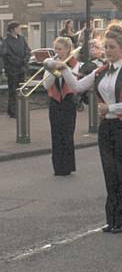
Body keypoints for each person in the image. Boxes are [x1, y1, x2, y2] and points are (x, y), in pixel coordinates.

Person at [58, 23, 122, 234]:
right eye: (106, 47)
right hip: (108, 127)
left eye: (112, 47)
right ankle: (112, 219)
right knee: (110, 174)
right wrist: (64, 68)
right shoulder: (100, 71)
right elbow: (77, 87)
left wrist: (110, 107)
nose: (108, 51)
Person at [43, 37, 80, 176]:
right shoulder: (50, 64)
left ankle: (68, 166)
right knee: (56, 134)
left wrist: (64, 68)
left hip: (68, 101)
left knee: (67, 134)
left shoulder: (75, 64)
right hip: (55, 102)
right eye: (55, 49)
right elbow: (46, 85)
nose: (57, 52)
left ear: (67, 50)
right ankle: (58, 167)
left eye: (60, 49)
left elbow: (75, 84)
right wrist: (52, 70)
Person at [1, 22, 31, 118]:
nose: (20, 29)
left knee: (21, 90)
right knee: (13, 91)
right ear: (13, 29)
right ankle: (12, 111)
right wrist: (17, 62)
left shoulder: (22, 39)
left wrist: (25, 61)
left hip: (22, 68)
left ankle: (20, 109)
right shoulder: (6, 41)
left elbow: (27, 50)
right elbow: (6, 55)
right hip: (12, 69)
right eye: (18, 28)